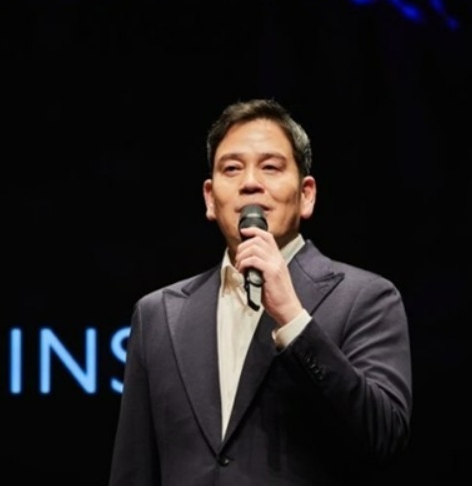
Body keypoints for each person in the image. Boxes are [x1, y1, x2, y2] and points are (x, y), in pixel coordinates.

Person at [108, 98, 412, 486]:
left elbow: (384, 436)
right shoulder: (157, 314)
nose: (250, 182)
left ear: (306, 195)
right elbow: (133, 468)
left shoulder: (366, 298)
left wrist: (293, 318)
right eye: (231, 168)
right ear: (210, 198)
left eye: (270, 167)